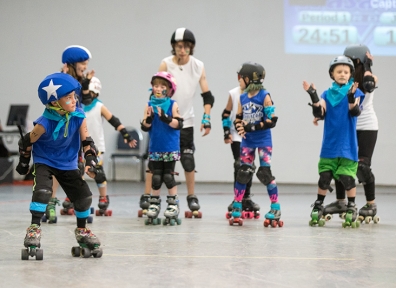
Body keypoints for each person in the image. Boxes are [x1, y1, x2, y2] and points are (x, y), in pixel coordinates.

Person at [17, 72, 102, 260]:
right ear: (55, 102)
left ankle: (82, 230)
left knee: (84, 197)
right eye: (69, 98)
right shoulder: (44, 123)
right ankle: (34, 228)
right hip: (45, 161)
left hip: (68, 163)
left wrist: (90, 161)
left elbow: (87, 141)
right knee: (43, 192)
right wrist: (24, 162)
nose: (74, 101)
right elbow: (25, 142)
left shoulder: (79, 117)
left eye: (74, 97)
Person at [139, 28, 214, 218]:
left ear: (191, 48)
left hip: (186, 120)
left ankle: (191, 196)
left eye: (186, 47)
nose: (182, 50)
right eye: (179, 46)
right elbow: (156, 90)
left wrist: (207, 118)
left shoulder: (198, 66)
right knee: (154, 159)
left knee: (188, 160)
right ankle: (148, 195)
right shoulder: (165, 64)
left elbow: (207, 95)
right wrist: (150, 114)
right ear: (174, 47)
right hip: (161, 121)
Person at [304, 55, 364, 228]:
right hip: (330, 144)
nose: (343, 74)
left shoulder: (355, 92)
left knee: (347, 177)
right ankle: (318, 204)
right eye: (339, 71)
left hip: (347, 144)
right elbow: (320, 112)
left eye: (346, 72)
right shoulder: (326, 93)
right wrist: (313, 95)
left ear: (351, 74)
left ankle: (351, 205)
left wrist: (351, 96)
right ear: (332, 74)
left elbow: (354, 112)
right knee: (324, 177)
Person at [323, 45, 379, 224]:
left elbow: (369, 85)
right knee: (340, 162)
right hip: (347, 126)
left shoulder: (369, 77)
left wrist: (368, 65)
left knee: (362, 167)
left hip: (366, 125)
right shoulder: (342, 79)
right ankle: (341, 202)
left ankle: (371, 204)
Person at [43, 45, 95, 223]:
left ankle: (79, 203)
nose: (85, 67)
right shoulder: (60, 80)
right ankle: (50, 204)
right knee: (57, 165)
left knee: (76, 167)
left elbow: (86, 101)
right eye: (83, 64)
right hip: (60, 128)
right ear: (72, 63)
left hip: (75, 127)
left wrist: (86, 85)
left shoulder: (81, 80)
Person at [231, 62, 281, 227]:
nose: (239, 81)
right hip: (248, 141)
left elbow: (272, 120)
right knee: (243, 172)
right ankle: (237, 205)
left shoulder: (264, 95)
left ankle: (275, 207)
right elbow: (238, 118)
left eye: (241, 78)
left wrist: (251, 127)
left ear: (248, 79)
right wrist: (240, 127)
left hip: (263, 140)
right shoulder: (242, 97)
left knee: (265, 173)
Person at [82, 76, 137, 216]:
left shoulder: (99, 106)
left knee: (97, 172)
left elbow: (113, 120)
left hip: (96, 147)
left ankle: (103, 197)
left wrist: (126, 134)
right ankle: (76, 196)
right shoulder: (77, 107)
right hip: (78, 146)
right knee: (77, 172)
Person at [140, 72, 183, 225]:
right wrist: (149, 119)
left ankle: (173, 205)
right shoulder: (149, 105)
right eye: (156, 85)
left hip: (170, 147)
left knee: (168, 176)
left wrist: (166, 118)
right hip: (155, 147)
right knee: (156, 177)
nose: (158, 88)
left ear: (169, 90)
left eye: (162, 86)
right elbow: (145, 127)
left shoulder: (173, 104)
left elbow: (179, 124)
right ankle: (154, 203)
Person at [222, 82, 258, 219]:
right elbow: (225, 114)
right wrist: (226, 132)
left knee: (249, 166)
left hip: (251, 135)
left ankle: (247, 197)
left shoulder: (258, 93)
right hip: (237, 135)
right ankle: (237, 198)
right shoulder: (234, 93)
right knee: (239, 165)